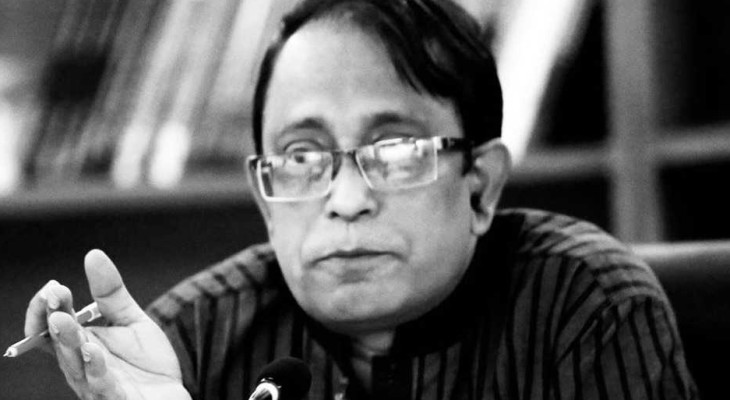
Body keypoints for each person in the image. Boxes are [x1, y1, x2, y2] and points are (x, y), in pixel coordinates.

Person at [23, 0, 699, 399]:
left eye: (396, 151)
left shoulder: (585, 306)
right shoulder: (186, 344)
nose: (347, 201)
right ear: (266, 202)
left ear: (481, 185)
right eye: (302, 158)